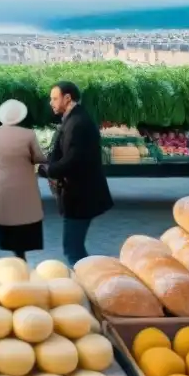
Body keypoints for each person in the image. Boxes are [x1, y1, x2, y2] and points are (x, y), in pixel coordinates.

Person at [44, 81, 112, 265]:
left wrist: (50, 169)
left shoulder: (78, 122)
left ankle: (89, 281)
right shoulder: (74, 119)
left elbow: (74, 159)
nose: (51, 102)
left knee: (73, 249)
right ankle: (89, 278)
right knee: (73, 247)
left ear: (67, 98)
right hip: (78, 194)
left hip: (81, 194)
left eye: (54, 98)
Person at [0, 99, 47, 260]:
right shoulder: (28, 134)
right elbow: (38, 157)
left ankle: (15, 254)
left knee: (9, 217)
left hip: (3, 185)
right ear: (20, 116)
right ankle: (22, 253)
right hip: (25, 185)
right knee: (24, 216)